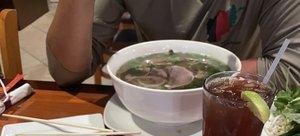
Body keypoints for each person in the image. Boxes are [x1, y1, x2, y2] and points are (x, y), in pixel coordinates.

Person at [46, 0, 300, 88]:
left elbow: (292, 69)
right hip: (148, 117)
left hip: (240, 110)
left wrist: (187, 77)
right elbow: (67, 72)